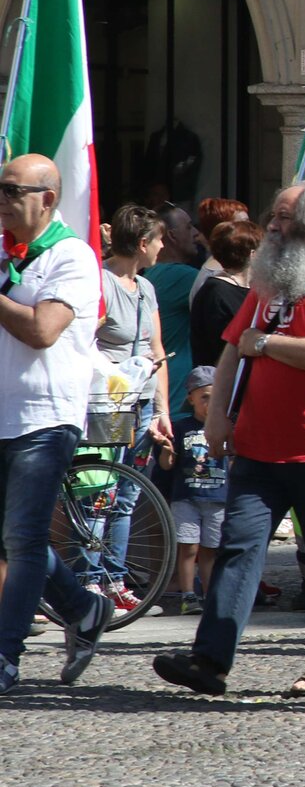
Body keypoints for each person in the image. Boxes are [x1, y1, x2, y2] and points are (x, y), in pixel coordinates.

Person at [153, 180, 305, 698]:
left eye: (284, 217)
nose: (272, 225)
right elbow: (233, 350)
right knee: (237, 550)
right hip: (257, 445)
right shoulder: (270, 279)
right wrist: (217, 419)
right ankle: (210, 661)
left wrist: (267, 342)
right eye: (274, 215)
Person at [0, 154, 112, 695]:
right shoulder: (4, 252)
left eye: (11, 191)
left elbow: (43, 330)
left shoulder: (72, 256)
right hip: (2, 414)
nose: (1, 201)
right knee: (11, 540)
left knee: (23, 540)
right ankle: (84, 608)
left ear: (46, 199)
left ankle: (5, 655)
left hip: (44, 417)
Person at [90, 204, 174, 608]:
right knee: (99, 493)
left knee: (127, 496)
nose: (162, 247)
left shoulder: (146, 288)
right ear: (142, 243)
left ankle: (115, 579)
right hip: (110, 405)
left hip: (141, 405)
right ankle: (89, 579)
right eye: (158, 240)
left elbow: (156, 350)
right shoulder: (100, 283)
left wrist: (162, 411)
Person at [161, 366, 226, 617]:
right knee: (188, 547)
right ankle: (188, 595)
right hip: (186, 498)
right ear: (191, 399)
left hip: (218, 498)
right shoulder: (181, 427)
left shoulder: (227, 427)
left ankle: (210, 595)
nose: (210, 403)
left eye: (215, 396)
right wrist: (166, 450)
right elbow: (167, 465)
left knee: (210, 550)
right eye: (204, 397)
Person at [145, 202, 202, 421]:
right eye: (188, 227)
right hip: (177, 399)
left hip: (160, 393)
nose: (196, 233)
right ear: (172, 235)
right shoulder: (182, 277)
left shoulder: (149, 275)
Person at [190, 220, 259, 371]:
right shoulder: (215, 292)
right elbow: (223, 348)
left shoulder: (253, 289)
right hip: (222, 378)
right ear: (253, 255)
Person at [189, 198, 249, 298]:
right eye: (243, 225)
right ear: (222, 231)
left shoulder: (232, 267)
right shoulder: (214, 277)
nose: (251, 229)